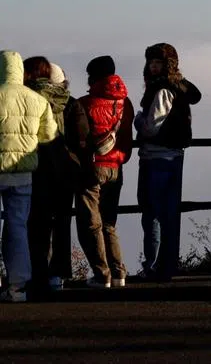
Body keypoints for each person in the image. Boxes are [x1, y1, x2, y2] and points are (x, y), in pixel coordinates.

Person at [135, 43, 201, 282]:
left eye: (158, 63)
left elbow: (152, 126)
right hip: (174, 156)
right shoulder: (178, 87)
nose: (153, 67)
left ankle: (154, 266)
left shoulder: (162, 89)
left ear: (167, 65)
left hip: (156, 157)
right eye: (151, 62)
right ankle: (167, 264)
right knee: (169, 213)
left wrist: (138, 120)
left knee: (152, 212)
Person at [73, 55, 135, 288]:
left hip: (93, 167)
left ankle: (102, 275)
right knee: (109, 223)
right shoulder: (125, 102)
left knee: (90, 224)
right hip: (116, 167)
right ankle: (119, 273)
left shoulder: (86, 103)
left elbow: (78, 137)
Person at [0, 50, 57, 303]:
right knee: (18, 227)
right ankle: (17, 286)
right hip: (23, 172)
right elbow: (48, 135)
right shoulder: (36, 99)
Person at [24, 58, 79, 292]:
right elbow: (82, 137)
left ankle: (37, 273)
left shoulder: (31, 101)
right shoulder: (71, 103)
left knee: (37, 223)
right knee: (63, 223)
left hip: (38, 168)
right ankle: (58, 275)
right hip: (65, 170)